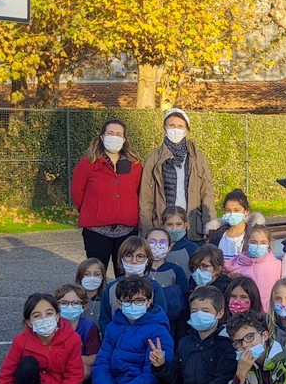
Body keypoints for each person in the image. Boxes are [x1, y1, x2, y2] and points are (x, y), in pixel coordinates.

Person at [103, 286, 234, 384]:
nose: (199, 315)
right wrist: (161, 365)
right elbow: (176, 380)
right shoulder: (185, 342)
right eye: (194, 311)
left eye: (205, 311)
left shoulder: (226, 345)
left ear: (219, 313)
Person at [77, 277, 174, 384]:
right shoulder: (113, 327)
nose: (133, 305)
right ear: (119, 304)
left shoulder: (159, 331)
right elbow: (102, 362)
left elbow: (151, 375)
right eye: (128, 301)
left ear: (149, 301)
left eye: (139, 300)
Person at [70, 118, 143, 277]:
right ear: (102, 137)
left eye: (118, 134)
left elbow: (140, 192)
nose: (114, 137)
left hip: (127, 230)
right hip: (96, 231)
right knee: (96, 274)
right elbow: (77, 192)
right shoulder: (87, 163)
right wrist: (92, 211)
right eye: (110, 133)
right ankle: (96, 301)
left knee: (125, 275)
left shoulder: (135, 165)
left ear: (124, 139)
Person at [0, 294, 82, 384]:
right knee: (28, 364)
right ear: (29, 322)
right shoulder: (20, 341)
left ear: (57, 316)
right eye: (37, 315)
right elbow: (5, 379)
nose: (44, 319)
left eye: (49, 313)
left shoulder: (73, 339)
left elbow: (74, 376)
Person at [138, 108, 216, 243]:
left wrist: (210, 226)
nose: (176, 129)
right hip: (163, 226)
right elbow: (146, 199)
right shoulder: (154, 159)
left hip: (193, 226)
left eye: (180, 126)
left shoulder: (197, 159)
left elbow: (207, 193)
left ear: (187, 130)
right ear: (164, 128)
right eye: (172, 125)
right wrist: (147, 231)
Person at [97, 236, 169, 336]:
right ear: (121, 259)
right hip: (116, 341)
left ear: (147, 260)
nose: (134, 260)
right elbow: (105, 320)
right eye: (129, 256)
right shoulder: (111, 288)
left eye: (140, 256)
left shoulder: (154, 287)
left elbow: (160, 317)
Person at [54, 284, 101, 384]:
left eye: (75, 303)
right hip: (55, 365)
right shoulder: (51, 327)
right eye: (64, 303)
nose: (70, 307)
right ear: (56, 306)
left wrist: (68, 360)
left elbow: (93, 357)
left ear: (84, 307)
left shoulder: (89, 327)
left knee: (85, 370)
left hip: (77, 365)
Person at [224, 224, 281, 313]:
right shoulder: (236, 266)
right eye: (254, 242)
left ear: (269, 244)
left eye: (263, 242)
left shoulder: (277, 265)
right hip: (244, 314)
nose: (258, 246)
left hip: (269, 314)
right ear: (247, 242)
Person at [144, 227, 189, 339]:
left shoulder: (176, 270)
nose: (157, 246)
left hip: (169, 326)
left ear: (169, 247)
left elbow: (182, 303)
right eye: (152, 242)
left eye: (163, 242)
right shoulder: (140, 270)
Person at [207, 189, 265, 258]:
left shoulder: (255, 235)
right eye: (228, 210)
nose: (232, 214)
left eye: (236, 210)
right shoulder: (216, 236)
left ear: (246, 212)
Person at [161, 206, 198, 273]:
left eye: (179, 224)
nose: (174, 229)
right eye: (169, 225)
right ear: (162, 226)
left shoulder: (192, 248)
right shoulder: (155, 247)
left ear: (185, 225)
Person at [75, 258, 107, 324]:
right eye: (87, 274)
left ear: (102, 277)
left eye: (97, 274)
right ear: (80, 276)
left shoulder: (106, 299)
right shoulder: (73, 299)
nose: (92, 278)